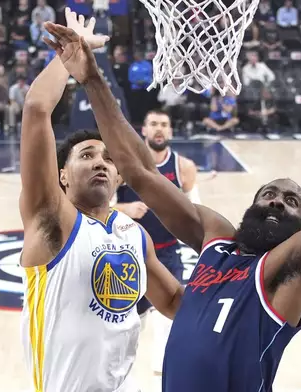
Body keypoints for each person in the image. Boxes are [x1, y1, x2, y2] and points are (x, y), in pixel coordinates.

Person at [44, 21, 301, 391]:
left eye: (291, 202)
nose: (277, 201)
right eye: (270, 194)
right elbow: (140, 172)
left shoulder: (289, 270)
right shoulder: (216, 238)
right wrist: (92, 77)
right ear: (251, 205)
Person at [18, 9, 183, 392]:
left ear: (121, 177)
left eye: (109, 158)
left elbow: (174, 299)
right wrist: (71, 56)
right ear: (61, 175)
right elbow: (37, 110)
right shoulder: (51, 220)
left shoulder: (133, 234)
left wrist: (235, 302)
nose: (100, 163)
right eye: (87, 155)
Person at [113, 109, 200, 391]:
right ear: (144, 131)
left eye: (164, 124)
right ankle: (128, 383)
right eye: (154, 124)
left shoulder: (183, 168)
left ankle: (166, 380)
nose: (159, 129)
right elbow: (100, 207)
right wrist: (125, 208)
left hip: (167, 253)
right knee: (129, 325)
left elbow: (197, 213)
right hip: (129, 255)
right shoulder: (126, 166)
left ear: (170, 131)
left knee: (170, 323)